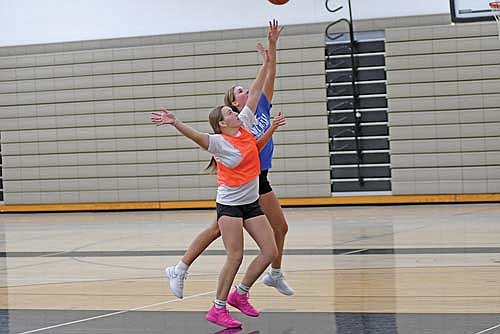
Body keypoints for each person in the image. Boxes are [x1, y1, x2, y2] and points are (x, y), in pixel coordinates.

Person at [151, 43, 286, 329]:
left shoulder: (246, 125)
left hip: (250, 203)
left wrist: (266, 61)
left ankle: (241, 294)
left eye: (233, 110)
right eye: (229, 112)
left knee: (270, 251)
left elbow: (256, 91)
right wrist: (176, 122)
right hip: (230, 205)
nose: (236, 112)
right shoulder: (219, 143)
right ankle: (217, 307)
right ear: (222, 123)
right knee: (235, 256)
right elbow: (196, 136)